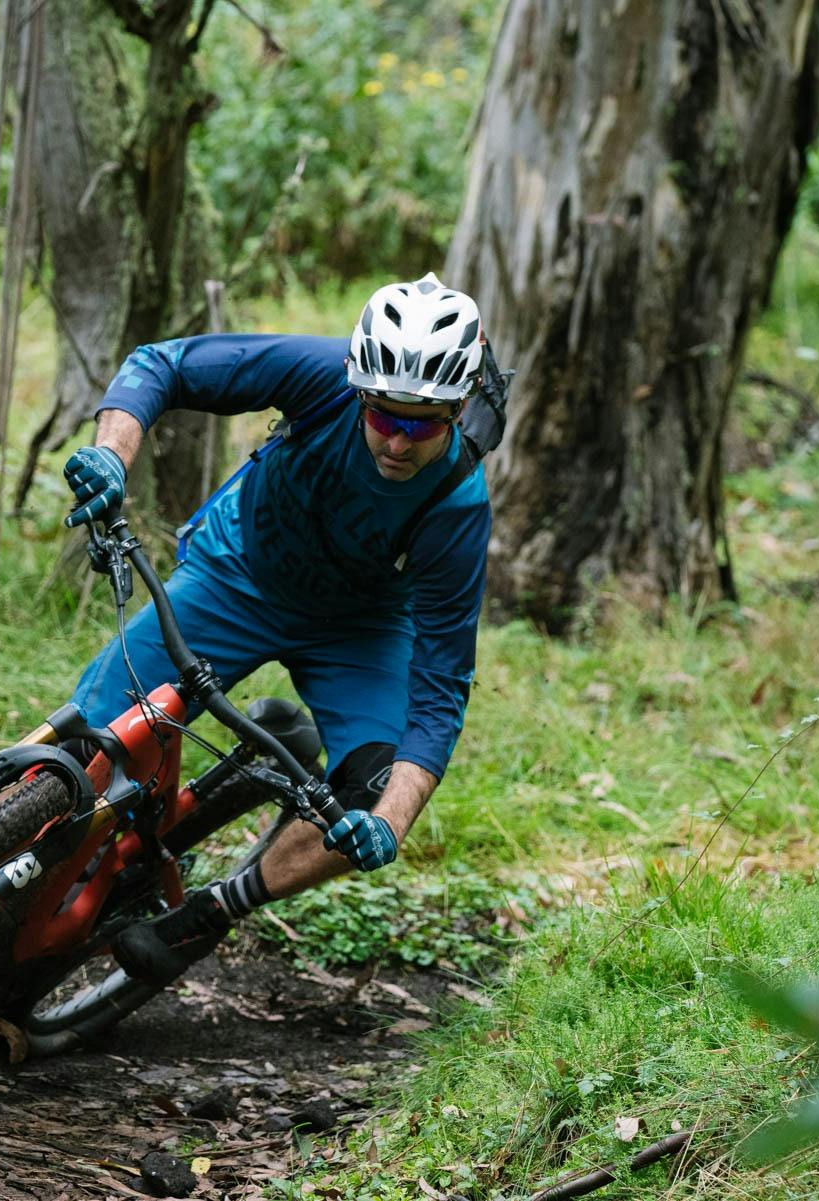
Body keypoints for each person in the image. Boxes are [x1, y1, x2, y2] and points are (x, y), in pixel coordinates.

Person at [59, 272, 492, 987]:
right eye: (383, 414)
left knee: (370, 794)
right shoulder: (321, 374)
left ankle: (218, 905)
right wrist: (112, 454)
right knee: (90, 747)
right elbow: (158, 365)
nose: (397, 440)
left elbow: (442, 687)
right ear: (359, 386)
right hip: (240, 571)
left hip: (360, 629)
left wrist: (390, 823)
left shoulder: (458, 504)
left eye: (423, 423)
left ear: (459, 409)